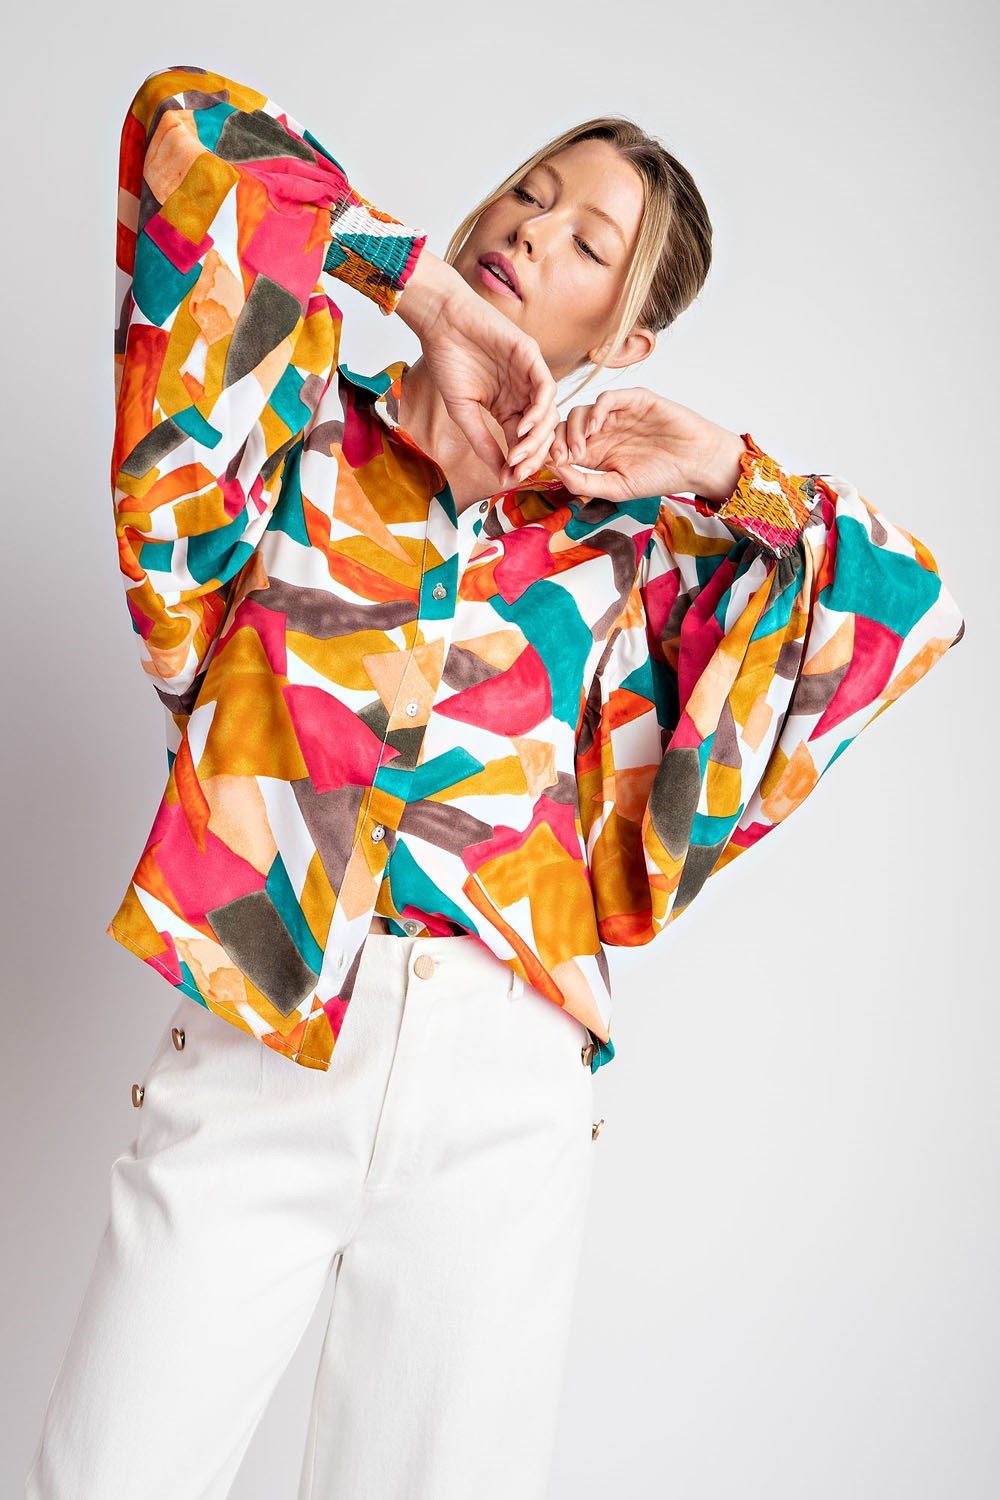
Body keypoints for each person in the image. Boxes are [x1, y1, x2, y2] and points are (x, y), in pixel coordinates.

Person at [25, 64, 965, 1500]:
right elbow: (188, 130)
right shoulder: (289, 440)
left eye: (588, 240)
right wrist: (420, 295)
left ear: (624, 336)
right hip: (266, 1031)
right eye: (532, 190)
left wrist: (718, 465)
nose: (531, 228)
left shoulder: (633, 563)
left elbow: (908, 607)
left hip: (503, 1089)